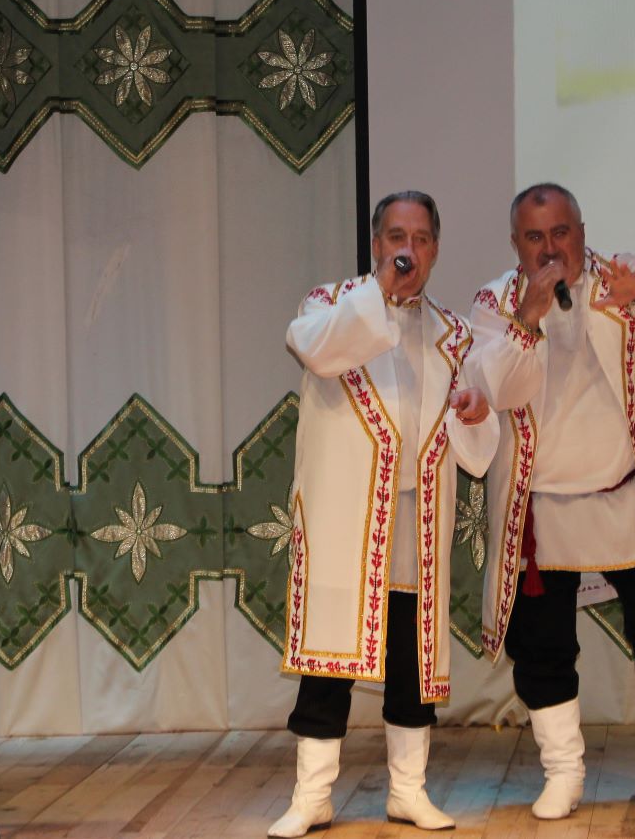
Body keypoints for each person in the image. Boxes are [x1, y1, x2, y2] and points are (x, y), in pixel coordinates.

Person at [467, 183, 635, 820]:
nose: (550, 248)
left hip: (625, 494)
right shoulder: (495, 302)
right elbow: (493, 388)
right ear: (516, 244)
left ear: (581, 232)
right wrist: (527, 320)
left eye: (561, 232)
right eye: (535, 237)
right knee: (542, 644)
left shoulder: (616, 280)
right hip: (542, 507)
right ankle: (563, 775)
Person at [270, 191, 497, 838]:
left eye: (421, 239)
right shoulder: (330, 305)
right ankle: (312, 796)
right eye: (397, 237)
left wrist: (477, 414)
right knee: (330, 659)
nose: (408, 250)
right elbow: (317, 351)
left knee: (412, 659)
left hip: (418, 517)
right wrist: (380, 294)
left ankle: (408, 791)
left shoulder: (454, 333)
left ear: (436, 249)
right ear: (376, 244)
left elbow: (476, 444)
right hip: (347, 516)